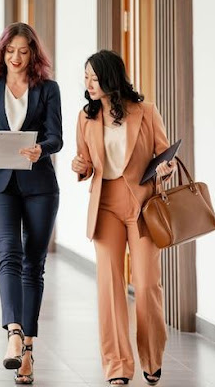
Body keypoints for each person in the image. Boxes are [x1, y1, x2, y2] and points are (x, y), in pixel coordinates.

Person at [71, 50, 176, 386]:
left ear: (111, 77)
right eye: (85, 76)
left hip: (142, 205)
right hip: (105, 206)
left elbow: (164, 155)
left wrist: (166, 169)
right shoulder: (85, 117)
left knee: (146, 285)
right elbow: (85, 163)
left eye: (94, 77)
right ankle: (117, 365)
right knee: (111, 287)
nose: (88, 83)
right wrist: (80, 166)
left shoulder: (145, 112)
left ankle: (151, 357)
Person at [0, 22, 62, 384]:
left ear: (33, 54)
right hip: (0, 185)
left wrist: (42, 149)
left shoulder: (48, 89)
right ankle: (13, 333)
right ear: (2, 52)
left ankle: (28, 350)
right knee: (8, 254)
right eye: (11, 51)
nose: (17, 57)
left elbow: (56, 136)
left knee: (34, 265)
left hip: (39, 184)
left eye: (24, 51)